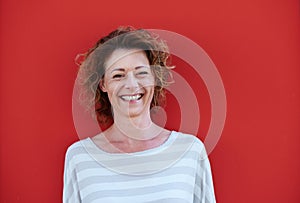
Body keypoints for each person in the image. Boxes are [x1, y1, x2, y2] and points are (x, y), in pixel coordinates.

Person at [63, 26, 216, 203]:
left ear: (154, 78)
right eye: (118, 75)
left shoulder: (190, 151)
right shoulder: (79, 157)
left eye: (141, 73)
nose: (132, 84)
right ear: (103, 84)